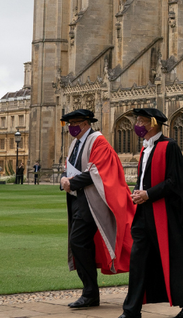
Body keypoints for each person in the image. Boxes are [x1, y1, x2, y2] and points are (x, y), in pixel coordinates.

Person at [119, 108, 183, 318]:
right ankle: (131, 311)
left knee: (178, 260)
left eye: (141, 120)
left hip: (167, 214)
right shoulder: (145, 148)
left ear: (153, 123)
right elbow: (145, 178)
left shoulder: (169, 146)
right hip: (144, 214)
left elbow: (176, 182)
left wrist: (148, 194)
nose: (137, 124)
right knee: (138, 262)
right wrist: (139, 193)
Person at [59, 109, 134, 309]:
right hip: (78, 199)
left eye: (74, 123)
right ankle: (90, 292)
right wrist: (64, 180)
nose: (70, 127)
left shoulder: (98, 141)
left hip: (94, 201)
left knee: (78, 241)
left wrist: (71, 182)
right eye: (69, 123)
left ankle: (90, 293)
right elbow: (71, 169)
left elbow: (97, 171)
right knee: (80, 244)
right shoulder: (75, 144)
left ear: (85, 124)